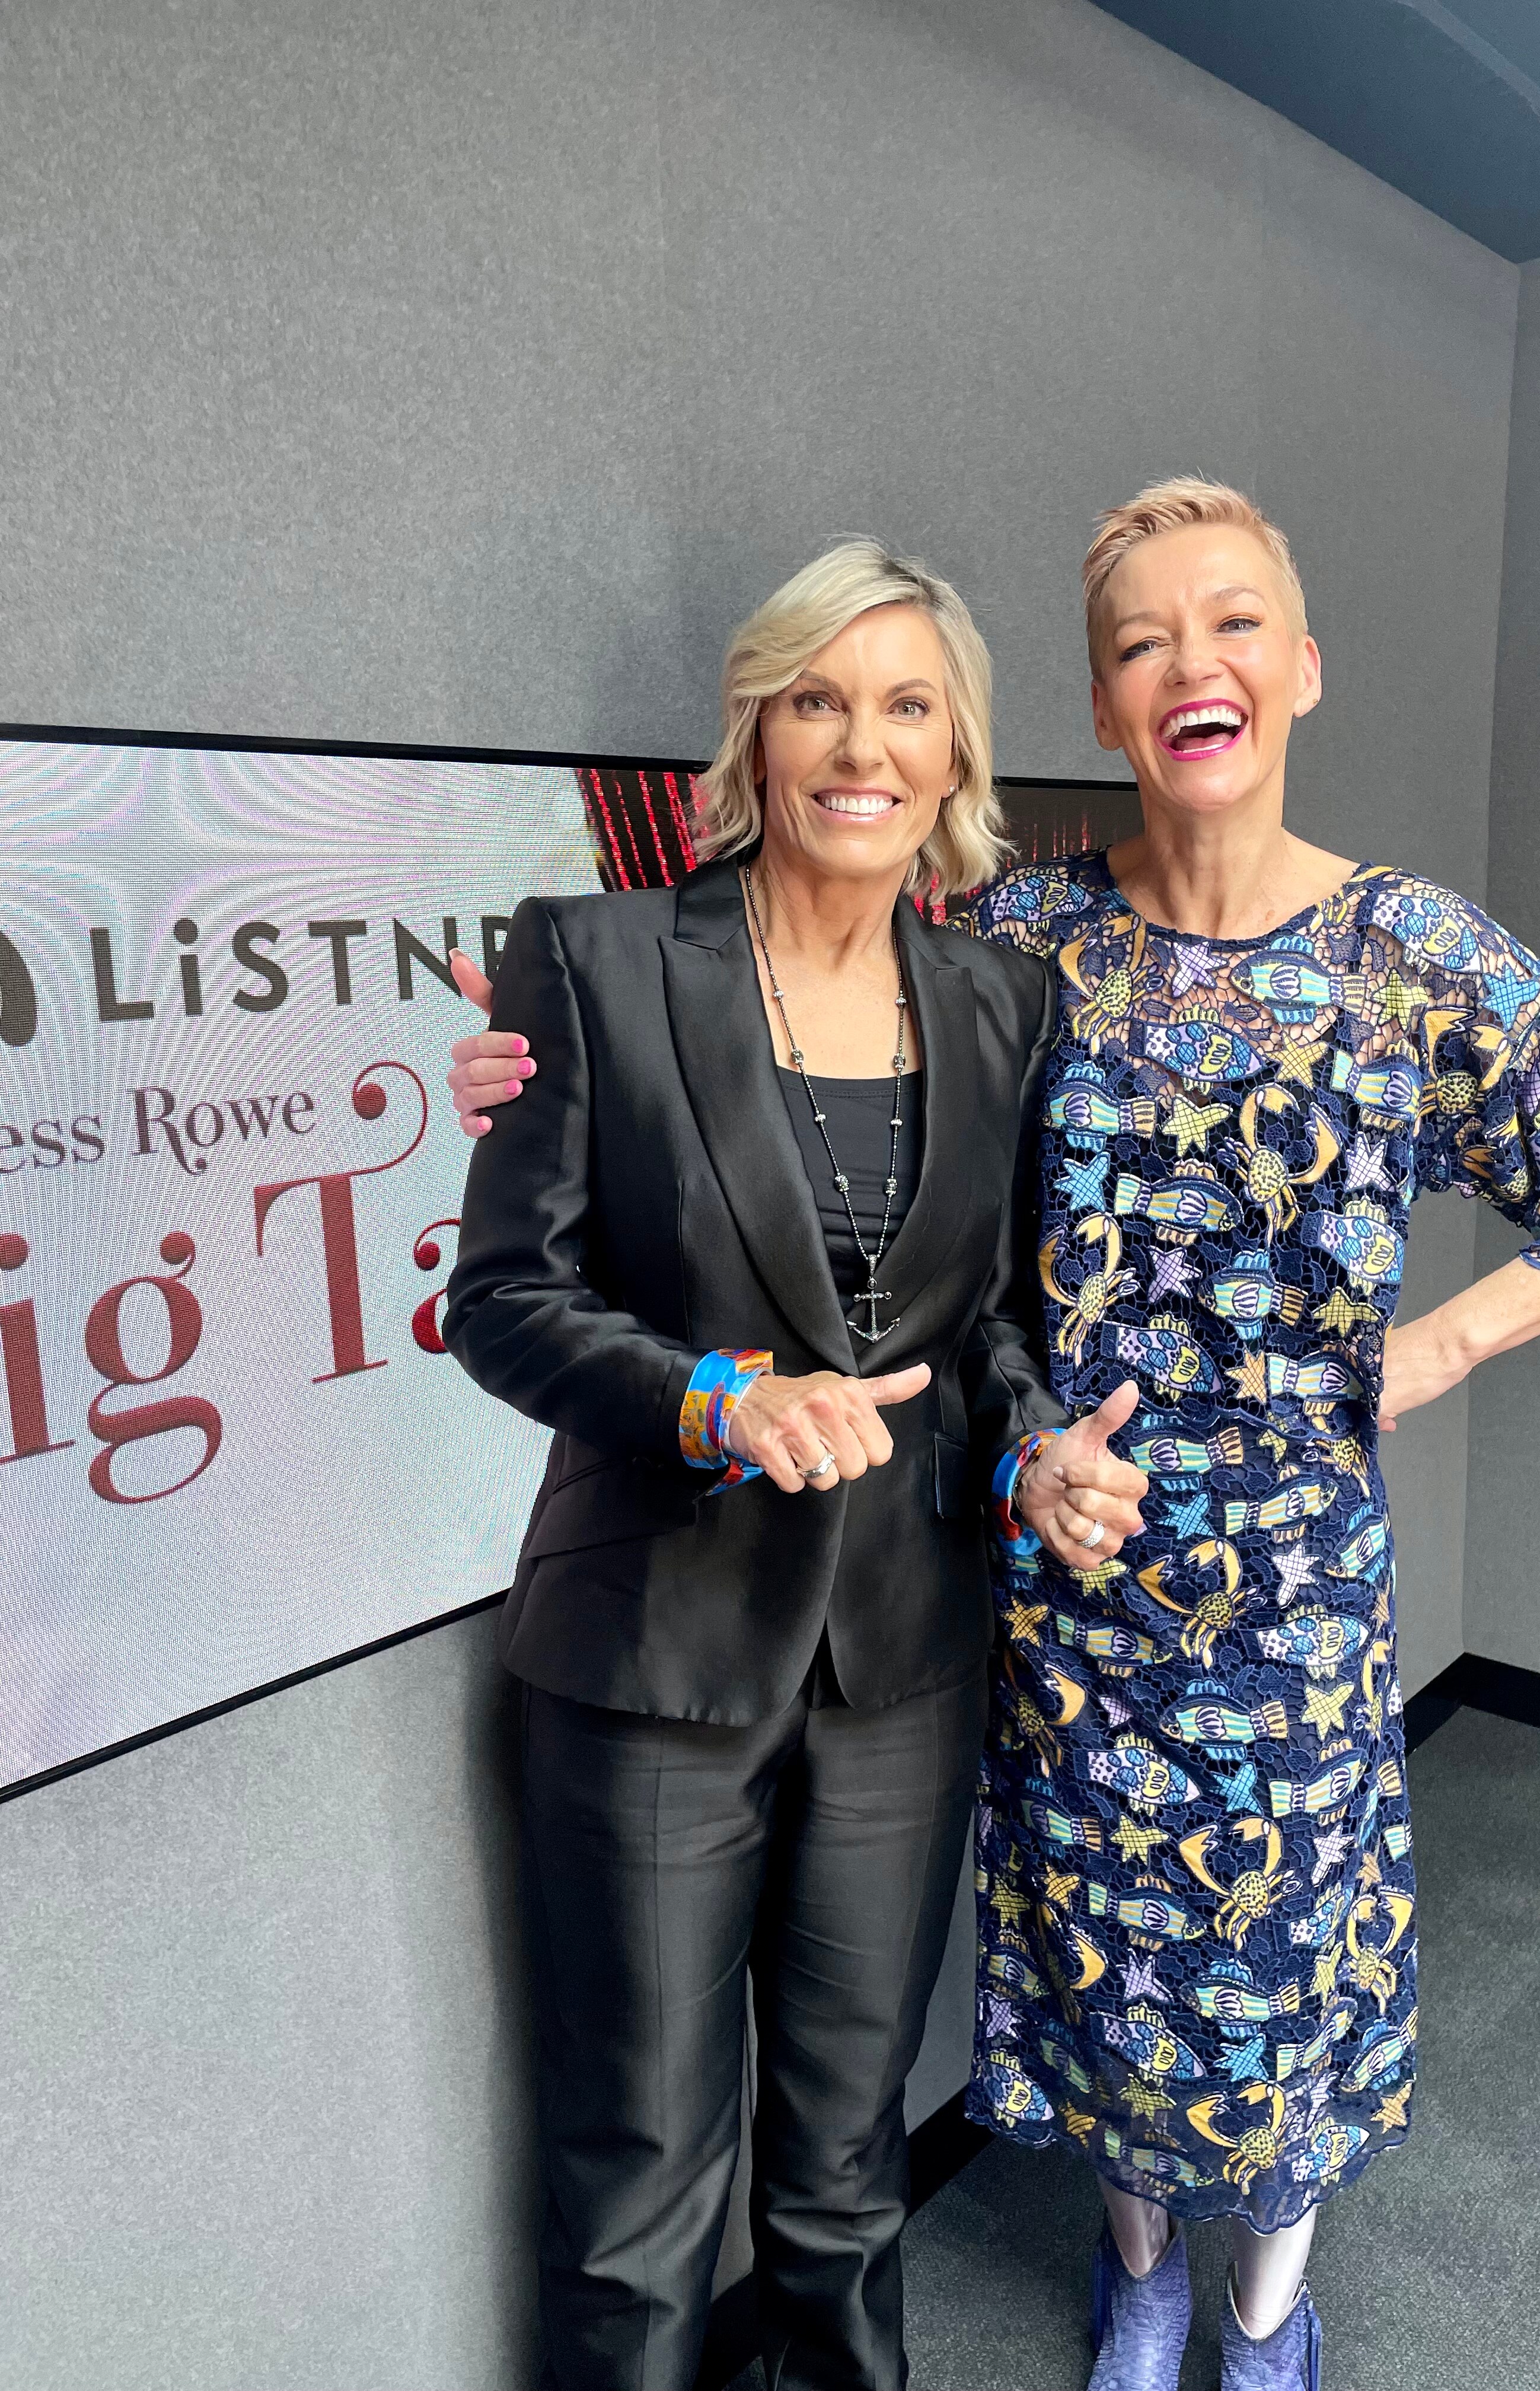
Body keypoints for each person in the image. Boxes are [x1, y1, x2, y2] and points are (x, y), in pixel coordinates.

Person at [449, 480, 1540, 2391]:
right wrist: (505, 1063)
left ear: (1300, 669)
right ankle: (1141, 2280)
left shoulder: (1382, 948)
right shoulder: (1032, 941)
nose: (1192, 666)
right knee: (1084, 1969)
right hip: (1043, 1555)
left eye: (1233, 626)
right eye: (1144, 641)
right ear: (1100, 700)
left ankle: (1260, 2307)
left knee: (1256, 1981)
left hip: (1266, 1576)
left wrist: (1442, 1344)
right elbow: (744, 1016)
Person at [438, 537, 1149, 2391]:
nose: (863, 743)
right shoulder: (590, 960)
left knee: (843, 2179)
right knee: (640, 2191)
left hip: (906, 1665)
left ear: (953, 755)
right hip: (647, 1662)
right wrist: (709, 1401)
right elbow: (503, 1300)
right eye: (820, 698)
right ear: (756, 734)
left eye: (908, 705)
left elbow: (983, 1330)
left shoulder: (1004, 1006)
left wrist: (1035, 1465)